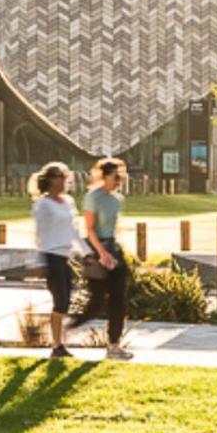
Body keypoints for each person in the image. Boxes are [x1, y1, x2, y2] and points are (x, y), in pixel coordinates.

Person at [27, 160, 83, 360]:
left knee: (67, 300)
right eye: (60, 176)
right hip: (51, 257)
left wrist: (86, 254)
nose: (64, 180)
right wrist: (40, 262)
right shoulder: (43, 204)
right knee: (60, 301)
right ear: (50, 180)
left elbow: (74, 231)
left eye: (65, 176)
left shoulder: (68, 202)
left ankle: (58, 341)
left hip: (65, 256)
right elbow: (39, 234)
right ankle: (57, 346)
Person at [83, 155, 134, 361]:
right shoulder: (93, 197)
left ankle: (114, 345)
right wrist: (102, 254)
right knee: (96, 302)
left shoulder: (117, 200)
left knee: (118, 299)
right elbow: (90, 230)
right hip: (96, 249)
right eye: (115, 176)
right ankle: (67, 327)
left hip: (113, 248)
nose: (119, 180)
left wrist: (112, 253)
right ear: (104, 177)